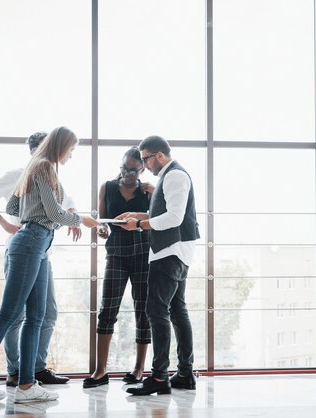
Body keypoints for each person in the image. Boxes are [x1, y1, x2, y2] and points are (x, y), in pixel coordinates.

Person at [0, 126, 99, 402]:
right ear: (60, 145)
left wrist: (34, 211)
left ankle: (26, 386)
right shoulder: (46, 166)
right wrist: (82, 220)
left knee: (36, 316)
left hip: (38, 242)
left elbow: (13, 208)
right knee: (10, 314)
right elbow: (53, 212)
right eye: (71, 150)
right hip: (32, 241)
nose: (71, 155)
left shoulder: (34, 169)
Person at [117, 135, 200, 396]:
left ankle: (160, 377)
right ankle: (184, 374)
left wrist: (140, 225)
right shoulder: (171, 175)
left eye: (145, 159)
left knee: (156, 311)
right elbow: (166, 214)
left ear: (159, 155)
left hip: (169, 252)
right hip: (176, 251)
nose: (143, 165)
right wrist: (138, 216)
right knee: (176, 310)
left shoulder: (174, 175)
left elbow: (174, 218)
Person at [83, 147, 154, 389]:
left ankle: (139, 369)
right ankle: (100, 371)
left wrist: (152, 196)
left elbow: (158, 221)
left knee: (143, 310)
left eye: (134, 170)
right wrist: (101, 230)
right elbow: (101, 223)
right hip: (116, 253)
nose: (128, 174)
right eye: (125, 168)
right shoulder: (107, 187)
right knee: (107, 309)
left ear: (142, 168)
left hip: (143, 254)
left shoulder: (148, 191)